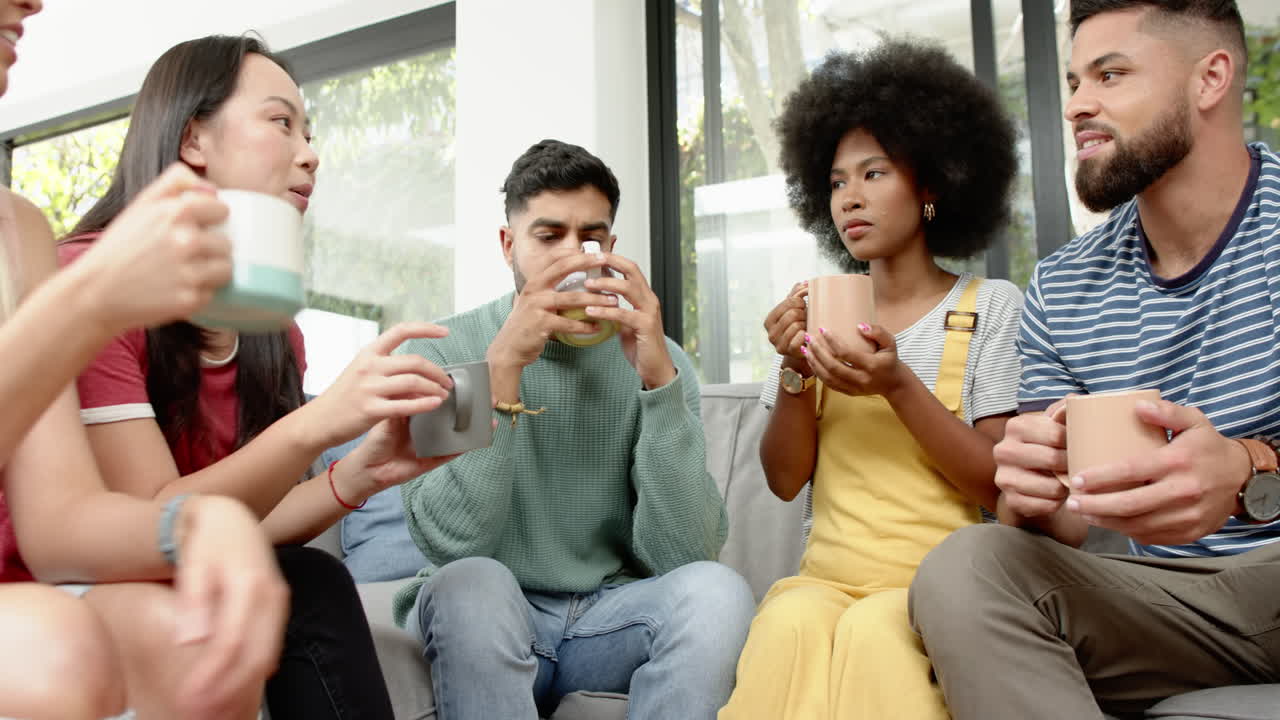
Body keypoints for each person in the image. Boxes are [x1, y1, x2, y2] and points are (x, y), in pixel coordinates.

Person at [58, 35, 460, 720]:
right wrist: (319, 420)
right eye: (282, 123)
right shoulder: (90, 282)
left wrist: (354, 477)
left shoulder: (274, 333)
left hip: (183, 563)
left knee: (313, 580)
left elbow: (240, 522)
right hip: (74, 575)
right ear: (193, 140)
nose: (311, 154)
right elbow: (154, 522)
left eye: (310, 132)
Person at [909, 2, 1280, 718]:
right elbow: (1061, 528)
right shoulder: (1064, 285)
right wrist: (1029, 490)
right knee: (965, 566)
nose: (1078, 105)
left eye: (1110, 74)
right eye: (1075, 81)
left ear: (1211, 79)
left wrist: (1249, 474)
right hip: (1180, 605)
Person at [390, 139, 755, 720]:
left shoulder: (663, 361)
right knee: (469, 583)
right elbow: (451, 542)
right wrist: (501, 369)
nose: (572, 257)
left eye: (590, 238)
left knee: (719, 591)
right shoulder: (445, 351)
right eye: (548, 235)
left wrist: (658, 386)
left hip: (609, 619)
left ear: (610, 247)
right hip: (492, 612)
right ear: (508, 244)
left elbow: (687, 554)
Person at [717, 39, 1023, 720]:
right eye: (835, 182)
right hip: (822, 580)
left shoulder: (989, 308)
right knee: (784, 627)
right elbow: (783, 479)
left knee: (875, 636)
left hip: (933, 586)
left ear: (933, 184)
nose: (850, 198)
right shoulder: (824, 309)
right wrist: (796, 370)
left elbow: (1000, 486)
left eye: (874, 173)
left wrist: (897, 386)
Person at [0, 2, 289, 719]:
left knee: (191, 649)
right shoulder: (94, 278)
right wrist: (88, 303)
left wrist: (192, 524)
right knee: (56, 650)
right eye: (282, 124)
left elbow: (59, 520)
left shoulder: (19, 229)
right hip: (39, 620)